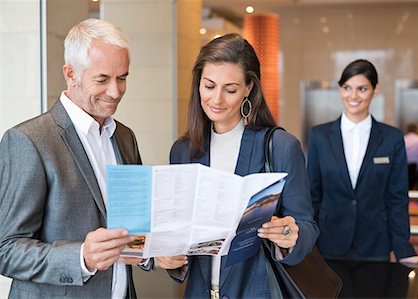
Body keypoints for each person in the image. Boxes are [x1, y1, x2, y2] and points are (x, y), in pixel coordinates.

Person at [157, 33, 319, 298]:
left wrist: (290, 235)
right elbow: (178, 233)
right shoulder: (183, 151)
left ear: (248, 89)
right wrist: (167, 254)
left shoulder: (280, 146)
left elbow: (307, 227)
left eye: (230, 89)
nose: (217, 99)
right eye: (209, 86)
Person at [0, 18, 150, 298]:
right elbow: (6, 249)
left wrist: (150, 253)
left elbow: (134, 230)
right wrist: (81, 257)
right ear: (71, 74)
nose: (115, 92)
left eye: (122, 77)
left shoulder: (125, 137)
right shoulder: (28, 140)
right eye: (102, 79)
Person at [306, 59, 418, 264]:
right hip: (328, 242)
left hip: (375, 243)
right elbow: (313, 195)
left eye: (362, 88)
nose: (353, 96)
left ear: (376, 89)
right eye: (347, 88)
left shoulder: (391, 138)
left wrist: (404, 250)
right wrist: (307, 245)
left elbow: (397, 198)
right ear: (340, 89)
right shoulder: (319, 136)